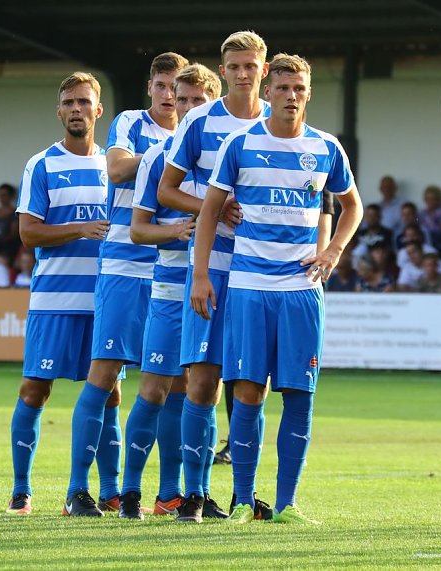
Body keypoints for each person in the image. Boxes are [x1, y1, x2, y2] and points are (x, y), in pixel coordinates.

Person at [192, 53, 363, 523]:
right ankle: (244, 501)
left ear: (308, 94)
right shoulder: (240, 145)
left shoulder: (327, 148)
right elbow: (209, 212)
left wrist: (332, 253)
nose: (291, 97)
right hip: (247, 285)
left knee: (299, 393)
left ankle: (287, 504)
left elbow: (353, 207)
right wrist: (202, 274)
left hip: (301, 290)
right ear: (268, 92)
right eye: (284, 88)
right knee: (247, 391)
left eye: (300, 90)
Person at [158, 31, 274, 523]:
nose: (244, 73)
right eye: (235, 66)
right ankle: (194, 495)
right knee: (202, 382)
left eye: (252, 65)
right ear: (222, 70)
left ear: (263, 70)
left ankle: (243, 497)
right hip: (210, 270)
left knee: (253, 386)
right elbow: (167, 190)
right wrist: (215, 205)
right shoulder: (201, 121)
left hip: (263, 275)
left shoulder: (280, 122)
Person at [66, 51, 187, 517]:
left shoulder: (196, 130)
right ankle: (80, 490)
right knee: (105, 376)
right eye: (161, 85)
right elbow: (115, 170)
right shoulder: (132, 124)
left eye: (176, 88)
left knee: (175, 383)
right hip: (124, 263)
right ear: (151, 88)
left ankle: (170, 493)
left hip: (172, 268)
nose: (169, 95)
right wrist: (173, 154)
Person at [117, 63, 220, 520]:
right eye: (182, 101)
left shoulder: (230, 154)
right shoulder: (158, 159)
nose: (189, 109)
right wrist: (175, 229)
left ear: (212, 105)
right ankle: (131, 493)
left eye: (199, 101)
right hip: (168, 288)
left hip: (217, 287)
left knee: (201, 390)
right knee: (155, 389)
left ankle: (184, 494)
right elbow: (137, 230)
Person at [6, 72, 110, 518]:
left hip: (106, 298)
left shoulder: (116, 166)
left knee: (110, 394)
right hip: (54, 299)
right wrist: (78, 229)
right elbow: (28, 232)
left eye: (84, 102)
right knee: (35, 389)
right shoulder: (42, 164)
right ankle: (21, 489)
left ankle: (106, 492)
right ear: (58, 110)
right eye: (68, 102)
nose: (75, 109)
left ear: (97, 110)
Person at [419, 184, 441, 248]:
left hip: (439, 241)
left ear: (439, 200)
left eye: (433, 199)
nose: (430, 202)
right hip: (424, 241)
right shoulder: (421, 213)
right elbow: (416, 222)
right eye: (428, 199)